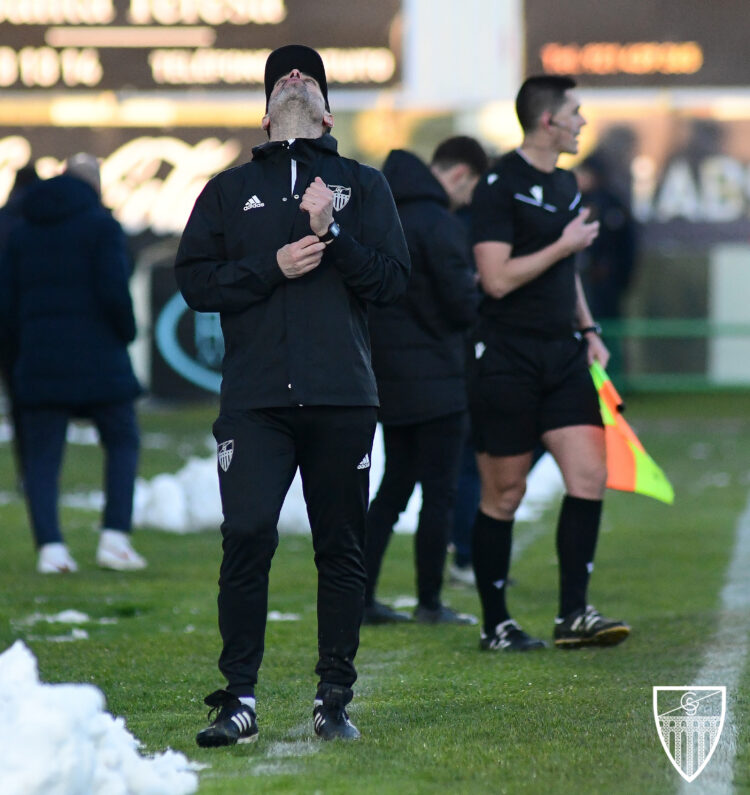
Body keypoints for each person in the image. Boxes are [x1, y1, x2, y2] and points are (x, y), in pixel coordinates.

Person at [174, 44, 410, 745]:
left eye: (308, 74)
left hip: (343, 396)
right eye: (283, 75)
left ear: (329, 107)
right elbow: (195, 281)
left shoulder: (362, 185)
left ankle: (333, 695)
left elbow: (394, 283)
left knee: (341, 547)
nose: (296, 77)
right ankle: (238, 697)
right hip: (255, 399)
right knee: (246, 535)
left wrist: (330, 233)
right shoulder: (226, 189)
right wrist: (270, 266)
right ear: (268, 106)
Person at [468, 75, 630, 652]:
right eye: (576, 111)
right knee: (505, 495)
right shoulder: (497, 185)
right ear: (547, 121)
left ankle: (573, 615)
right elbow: (496, 278)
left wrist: (587, 327)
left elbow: (567, 272)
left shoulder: (564, 182)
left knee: (588, 478)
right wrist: (564, 244)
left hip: (563, 354)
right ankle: (496, 624)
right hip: (505, 356)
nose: (583, 121)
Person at [0, 153, 146, 574]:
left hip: (39, 360)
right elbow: (115, 291)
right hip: (101, 359)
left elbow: (6, 305)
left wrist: (21, 351)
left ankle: (51, 550)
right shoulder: (102, 227)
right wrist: (127, 334)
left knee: (41, 460)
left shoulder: (23, 232)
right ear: (95, 185)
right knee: (122, 441)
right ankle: (115, 540)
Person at [363, 137, 487, 625]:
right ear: (459, 175)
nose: (468, 199)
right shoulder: (441, 223)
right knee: (440, 493)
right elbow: (460, 306)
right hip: (439, 377)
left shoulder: (379, 215)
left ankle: (361, 597)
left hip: (388, 375)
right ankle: (430, 602)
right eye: (471, 188)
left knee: (393, 489)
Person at [0, 164, 41, 489]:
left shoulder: (5, 220)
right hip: (33, 328)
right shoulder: (40, 223)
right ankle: (36, 470)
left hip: (8, 326)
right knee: (36, 405)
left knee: (19, 402)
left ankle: (28, 471)